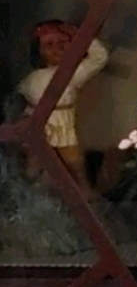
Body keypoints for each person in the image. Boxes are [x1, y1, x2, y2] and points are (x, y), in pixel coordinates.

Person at [18, 20, 109, 194]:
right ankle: (32, 193)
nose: (57, 48)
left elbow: (99, 58)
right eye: (49, 44)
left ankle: (85, 193)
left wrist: (81, 36)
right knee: (34, 164)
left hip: (62, 123)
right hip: (38, 124)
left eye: (62, 43)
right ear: (39, 50)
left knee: (74, 162)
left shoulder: (71, 74)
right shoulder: (32, 78)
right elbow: (24, 98)